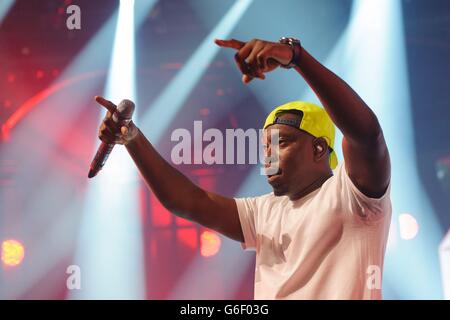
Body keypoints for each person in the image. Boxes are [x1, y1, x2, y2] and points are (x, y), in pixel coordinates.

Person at [95, 37, 391, 300]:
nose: (269, 155)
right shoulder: (264, 211)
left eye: (282, 143)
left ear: (318, 149)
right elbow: (187, 201)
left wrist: (296, 57)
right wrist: (131, 137)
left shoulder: (353, 196)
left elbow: (367, 134)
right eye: (265, 147)